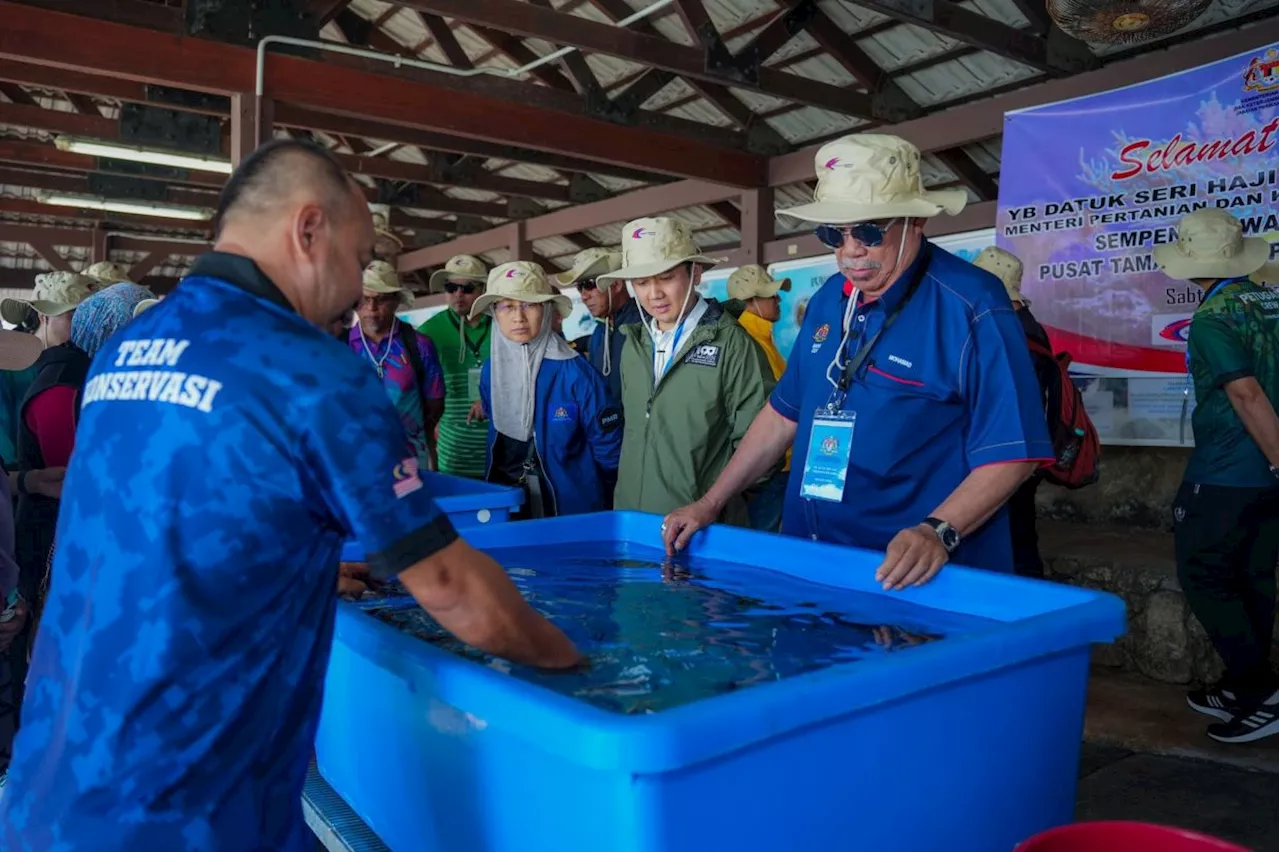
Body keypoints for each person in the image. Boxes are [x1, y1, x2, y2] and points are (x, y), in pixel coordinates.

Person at [0, 139, 578, 851]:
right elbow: (456, 590)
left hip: (51, 787)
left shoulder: (130, 345)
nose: (359, 288)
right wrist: (580, 669)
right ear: (309, 231)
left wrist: (313, 571)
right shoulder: (314, 371)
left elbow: (162, 520)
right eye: (360, 258)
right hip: (189, 811)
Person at [661, 134, 1052, 588]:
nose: (850, 250)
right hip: (813, 559)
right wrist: (710, 502)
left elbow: (1014, 451)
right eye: (834, 233)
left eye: (868, 230)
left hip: (908, 577)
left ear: (915, 221)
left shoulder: (971, 306)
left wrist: (939, 531)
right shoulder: (829, 300)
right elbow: (781, 416)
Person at [1154, 208, 1280, 745]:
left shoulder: (1213, 316)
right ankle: (1245, 681)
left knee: (1204, 574)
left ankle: (1258, 693)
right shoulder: (1270, 299)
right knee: (1252, 574)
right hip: (1263, 476)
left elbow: (1245, 392)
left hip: (1229, 469)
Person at [600, 217, 775, 525]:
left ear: (695, 272)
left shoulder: (732, 345)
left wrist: (714, 503)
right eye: (641, 283)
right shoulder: (633, 344)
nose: (654, 294)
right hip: (632, 522)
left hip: (699, 529)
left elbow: (762, 452)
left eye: (665, 278)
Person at [473, 261, 621, 517]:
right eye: (507, 306)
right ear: (494, 314)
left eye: (529, 304)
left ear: (547, 309)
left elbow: (609, 450)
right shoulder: (491, 370)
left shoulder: (576, 373)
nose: (518, 317)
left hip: (570, 510)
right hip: (507, 503)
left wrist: (603, 504)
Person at [972, 246, 1055, 579]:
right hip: (1021, 450)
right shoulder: (1028, 326)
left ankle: (1026, 620)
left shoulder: (1012, 331)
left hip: (1009, 453)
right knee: (1018, 536)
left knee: (1013, 544)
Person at [351, 260, 445, 472]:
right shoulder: (340, 346)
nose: (371, 308)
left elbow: (435, 406)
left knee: (411, 505)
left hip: (409, 461)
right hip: (356, 462)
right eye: (364, 299)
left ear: (396, 301)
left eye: (381, 299)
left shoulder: (419, 345)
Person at [726, 264, 792, 533]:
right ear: (750, 300)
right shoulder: (746, 342)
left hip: (775, 462)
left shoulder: (762, 338)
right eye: (770, 294)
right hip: (767, 467)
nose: (778, 299)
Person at [419, 254, 492, 479]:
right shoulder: (428, 332)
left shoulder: (505, 325)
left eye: (467, 288)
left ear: (483, 290)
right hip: (453, 451)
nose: (458, 294)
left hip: (501, 447)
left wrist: (491, 394)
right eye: (451, 287)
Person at [552, 247, 639, 402]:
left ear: (617, 284)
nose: (584, 296)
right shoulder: (599, 333)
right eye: (580, 287)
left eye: (590, 284)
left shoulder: (647, 326)